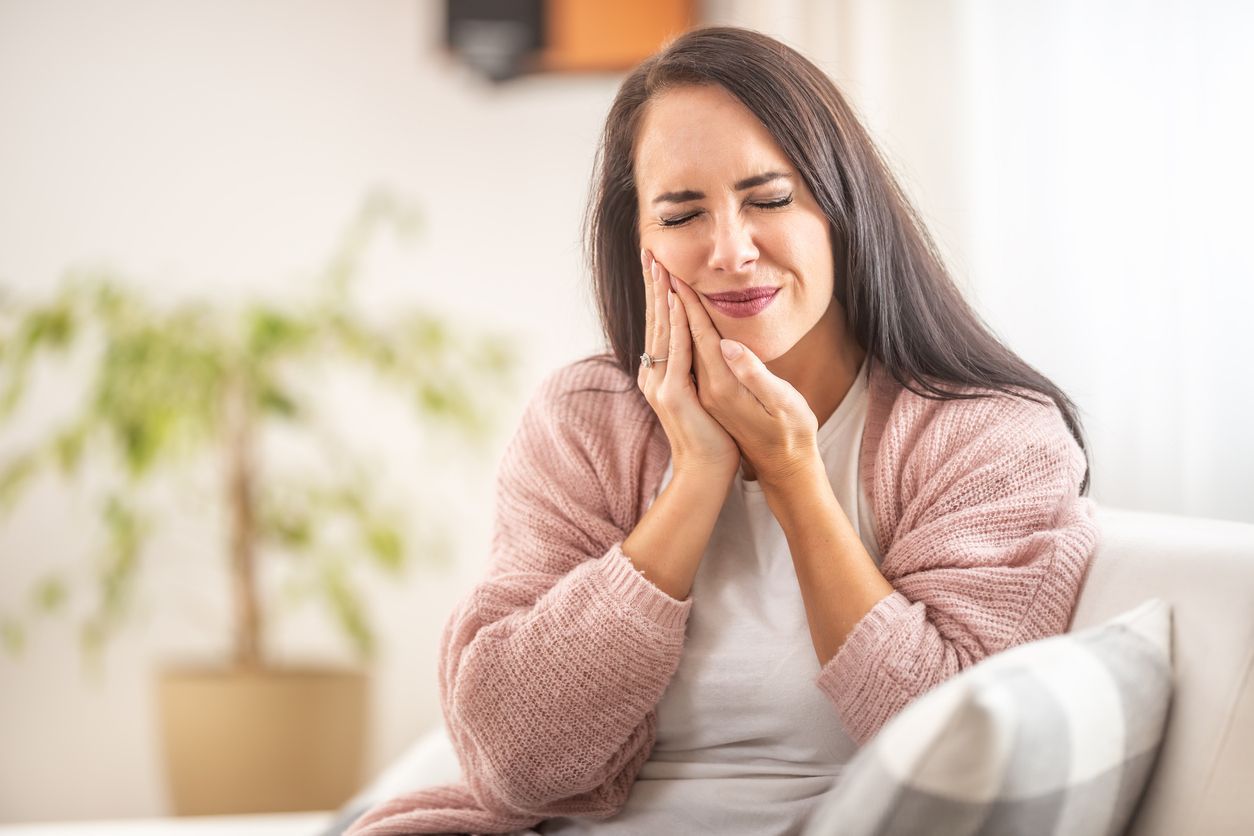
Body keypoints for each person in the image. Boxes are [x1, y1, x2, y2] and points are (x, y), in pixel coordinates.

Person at [347, 26, 1098, 836]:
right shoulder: (585, 421)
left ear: (842, 209)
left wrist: (793, 477)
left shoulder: (989, 441)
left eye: (770, 200)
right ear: (639, 242)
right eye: (682, 214)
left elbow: (956, 751)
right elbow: (512, 759)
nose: (732, 250)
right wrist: (697, 477)